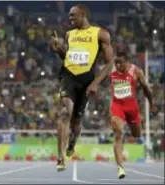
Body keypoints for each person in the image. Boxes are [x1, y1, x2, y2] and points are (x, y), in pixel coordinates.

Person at [51, 4, 114, 171]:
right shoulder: (69, 34)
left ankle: (73, 141)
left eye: (73, 16)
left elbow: (110, 64)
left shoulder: (100, 34)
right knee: (66, 112)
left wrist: (95, 83)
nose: (70, 19)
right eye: (69, 16)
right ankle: (60, 157)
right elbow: (69, 58)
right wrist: (58, 50)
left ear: (83, 14)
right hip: (69, 76)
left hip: (86, 79)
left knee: (76, 123)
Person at [109, 51, 158, 179]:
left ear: (128, 62)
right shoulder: (111, 69)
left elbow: (146, 88)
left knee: (137, 134)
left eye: (121, 63)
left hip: (132, 108)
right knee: (118, 132)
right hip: (117, 106)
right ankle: (120, 167)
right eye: (116, 63)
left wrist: (152, 104)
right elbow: (97, 77)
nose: (118, 66)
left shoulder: (136, 71)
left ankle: (129, 132)